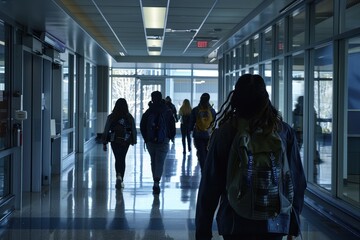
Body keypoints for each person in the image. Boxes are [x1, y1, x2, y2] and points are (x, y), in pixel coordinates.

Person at [195, 74, 307, 240]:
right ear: (265, 99)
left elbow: (210, 185)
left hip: (234, 223)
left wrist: (203, 231)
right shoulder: (283, 131)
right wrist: (292, 223)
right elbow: (297, 180)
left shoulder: (226, 133)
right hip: (274, 222)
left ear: (236, 100)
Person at [140, 91, 176, 194]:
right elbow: (172, 126)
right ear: (161, 98)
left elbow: (142, 126)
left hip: (150, 141)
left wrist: (146, 138)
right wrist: (170, 137)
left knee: (153, 160)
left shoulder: (148, 112)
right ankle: (156, 181)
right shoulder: (167, 111)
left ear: (152, 99)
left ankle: (155, 179)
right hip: (163, 140)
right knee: (160, 161)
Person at [102, 98, 137, 189]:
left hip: (114, 139)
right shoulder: (129, 117)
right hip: (125, 140)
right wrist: (134, 140)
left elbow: (106, 129)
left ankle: (118, 175)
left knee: (117, 158)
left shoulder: (112, 116)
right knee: (122, 158)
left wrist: (104, 142)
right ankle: (121, 179)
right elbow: (133, 129)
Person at [190, 93, 216, 172]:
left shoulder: (196, 110)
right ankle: (208, 169)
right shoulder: (211, 110)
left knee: (201, 153)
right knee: (208, 152)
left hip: (198, 135)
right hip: (209, 135)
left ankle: (203, 170)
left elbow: (191, 122)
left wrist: (190, 129)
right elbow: (214, 121)